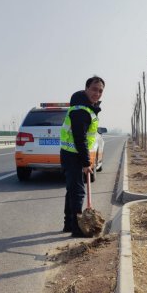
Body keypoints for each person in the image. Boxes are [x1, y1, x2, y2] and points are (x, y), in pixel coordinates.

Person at [60, 76, 105, 237]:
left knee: (72, 189)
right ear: (86, 89)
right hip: (73, 155)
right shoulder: (81, 111)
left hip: (71, 153)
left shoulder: (85, 108)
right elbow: (80, 138)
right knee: (77, 191)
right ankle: (77, 229)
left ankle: (69, 224)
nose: (97, 93)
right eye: (94, 89)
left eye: (100, 91)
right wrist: (86, 163)